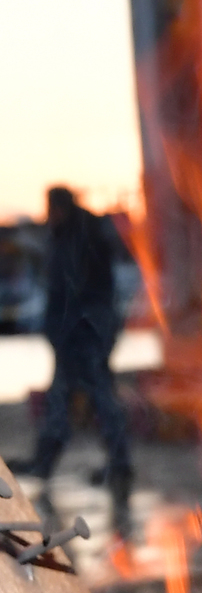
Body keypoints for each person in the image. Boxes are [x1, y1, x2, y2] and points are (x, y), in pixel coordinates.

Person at [15, 187, 133, 512]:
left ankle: (117, 464)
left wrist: (68, 332)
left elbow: (74, 290)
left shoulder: (79, 234)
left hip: (84, 336)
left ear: (60, 207)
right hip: (79, 334)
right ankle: (48, 461)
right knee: (68, 399)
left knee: (96, 399)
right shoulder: (74, 232)